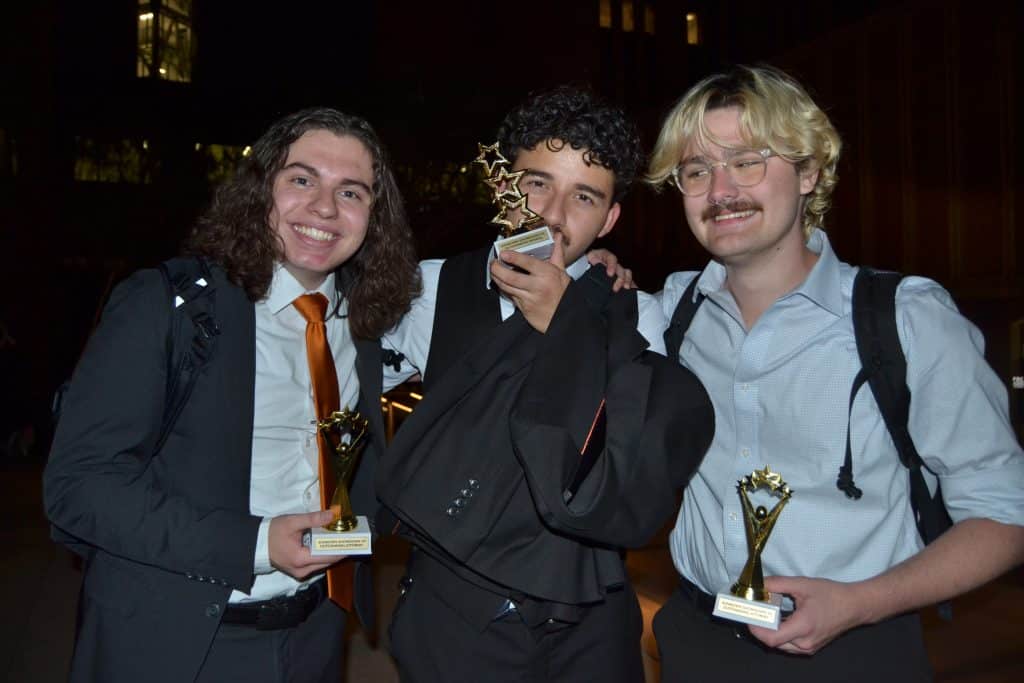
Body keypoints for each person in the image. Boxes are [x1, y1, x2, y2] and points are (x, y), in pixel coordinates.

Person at [645, 64, 1024, 681]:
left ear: (809, 171)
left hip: (856, 653)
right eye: (697, 170)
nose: (720, 190)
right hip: (697, 643)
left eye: (747, 161)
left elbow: (1006, 514)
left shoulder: (904, 320)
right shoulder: (671, 315)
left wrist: (862, 603)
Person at [43, 108, 420, 683]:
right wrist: (256, 543)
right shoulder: (165, 307)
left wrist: (593, 266)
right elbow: (77, 489)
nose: (324, 207)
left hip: (317, 634)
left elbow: (477, 289)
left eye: (351, 191)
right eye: (301, 179)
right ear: (258, 190)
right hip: (181, 641)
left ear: (374, 215)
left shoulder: (364, 320)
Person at [377, 86, 714, 682]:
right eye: (537, 182)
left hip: (592, 618)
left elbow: (638, 459)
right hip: (453, 616)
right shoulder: (430, 291)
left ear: (609, 219)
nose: (554, 215)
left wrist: (577, 325)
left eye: (583, 196)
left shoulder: (637, 312)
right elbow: (335, 385)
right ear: (501, 183)